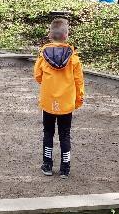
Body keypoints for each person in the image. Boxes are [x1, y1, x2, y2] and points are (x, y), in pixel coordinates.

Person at [34, 18, 84, 178]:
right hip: (66, 103)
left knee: (48, 133)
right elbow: (79, 81)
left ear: (50, 35)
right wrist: (78, 100)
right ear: (66, 35)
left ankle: (47, 165)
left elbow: (37, 76)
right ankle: (65, 168)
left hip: (48, 102)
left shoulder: (43, 55)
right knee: (65, 134)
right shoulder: (73, 58)